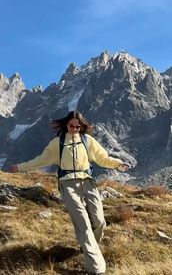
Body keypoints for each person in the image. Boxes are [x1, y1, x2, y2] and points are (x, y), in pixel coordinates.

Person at [8, 111, 131, 275]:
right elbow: (40, 161)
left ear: (81, 127)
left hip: (88, 183)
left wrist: (118, 164)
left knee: (99, 221)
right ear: (66, 125)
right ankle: (96, 268)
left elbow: (103, 158)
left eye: (78, 126)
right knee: (84, 224)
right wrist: (20, 167)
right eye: (71, 125)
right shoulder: (56, 144)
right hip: (68, 185)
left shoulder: (88, 141)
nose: (74, 128)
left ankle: (86, 247)